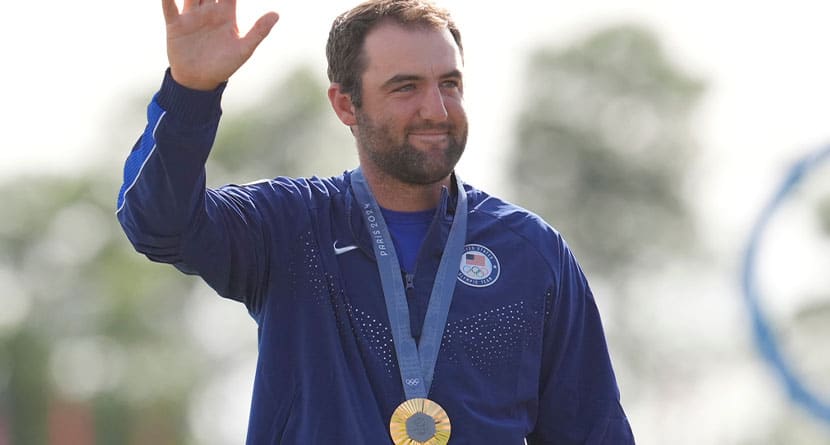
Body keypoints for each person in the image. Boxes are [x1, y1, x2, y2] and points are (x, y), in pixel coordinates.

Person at [116, 0, 635, 443]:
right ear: (346, 104)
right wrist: (191, 93)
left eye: (449, 84)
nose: (436, 109)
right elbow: (158, 224)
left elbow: (593, 431)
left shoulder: (532, 252)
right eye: (405, 87)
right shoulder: (289, 227)